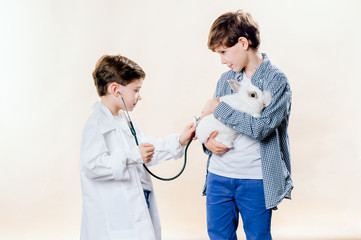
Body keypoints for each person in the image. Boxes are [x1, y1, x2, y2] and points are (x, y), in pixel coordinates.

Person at [79, 54, 196, 240]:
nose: (139, 97)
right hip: (115, 214)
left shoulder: (125, 121)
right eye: (136, 90)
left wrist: (179, 141)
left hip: (138, 201)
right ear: (115, 89)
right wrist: (132, 156)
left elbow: (145, 151)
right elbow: (92, 166)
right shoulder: (96, 124)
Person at [200, 10, 293, 240]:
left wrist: (220, 107)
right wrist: (208, 143)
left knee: (258, 236)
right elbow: (212, 122)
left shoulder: (276, 81)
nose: (222, 60)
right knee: (218, 235)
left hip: (255, 180)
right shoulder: (226, 80)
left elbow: (262, 129)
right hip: (218, 176)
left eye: (223, 52)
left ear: (243, 43)